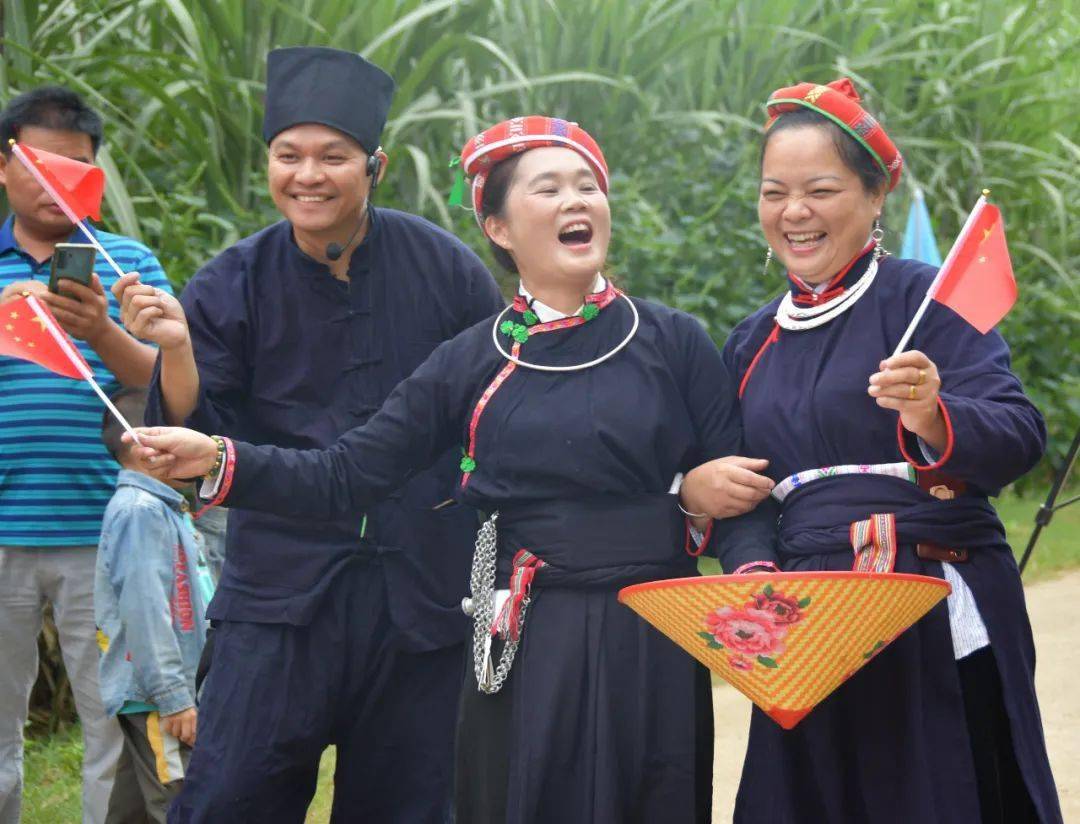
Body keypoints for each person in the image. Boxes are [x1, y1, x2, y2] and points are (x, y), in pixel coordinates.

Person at [125, 115, 778, 824]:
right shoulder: (474, 360)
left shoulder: (674, 341)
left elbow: (738, 490)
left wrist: (745, 569)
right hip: (529, 638)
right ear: (498, 227)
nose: (574, 202)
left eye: (587, 186)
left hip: (650, 631)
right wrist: (225, 459)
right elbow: (346, 474)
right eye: (549, 189)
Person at [113, 47, 503, 822]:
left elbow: (492, 412)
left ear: (375, 165)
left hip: (418, 600)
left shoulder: (446, 270)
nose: (308, 175)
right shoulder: (231, 283)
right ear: (269, 164)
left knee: (414, 807)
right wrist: (178, 350)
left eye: (333, 156)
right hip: (279, 600)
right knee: (230, 799)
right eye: (289, 156)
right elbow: (198, 437)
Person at [684, 78, 1061, 823]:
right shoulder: (750, 342)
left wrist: (933, 412)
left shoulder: (930, 302)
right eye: (773, 192)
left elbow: (1018, 434)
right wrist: (755, 571)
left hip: (926, 591)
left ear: (876, 192)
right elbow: (746, 498)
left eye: (820, 189)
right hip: (803, 620)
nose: (794, 212)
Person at [0, 86, 174, 824]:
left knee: (113, 722)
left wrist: (104, 328)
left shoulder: (126, 262)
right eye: (37, 165)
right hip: (3, 533)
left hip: (107, 534)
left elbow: (170, 381)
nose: (54, 183)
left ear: (95, 172)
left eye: (74, 167)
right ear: (5, 165)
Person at [95, 388, 214, 823]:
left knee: (133, 809)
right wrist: (175, 700)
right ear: (146, 447)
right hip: (156, 695)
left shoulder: (165, 507)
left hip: (159, 691)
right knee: (178, 804)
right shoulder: (139, 512)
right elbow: (145, 612)